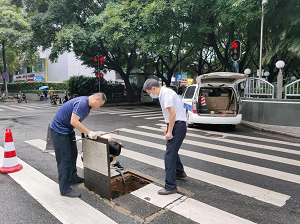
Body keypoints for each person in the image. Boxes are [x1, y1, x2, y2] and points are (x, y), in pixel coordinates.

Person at [50, 92, 107, 198]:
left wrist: (86, 132)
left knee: (73, 154)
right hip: (59, 131)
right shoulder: (82, 103)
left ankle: (73, 177)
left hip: (67, 130)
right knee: (64, 160)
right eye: (100, 104)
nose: (99, 107)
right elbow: (74, 121)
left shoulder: (87, 105)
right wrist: (89, 132)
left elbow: (76, 122)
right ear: (97, 99)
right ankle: (65, 189)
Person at [143, 79, 187, 195]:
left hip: (178, 126)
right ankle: (180, 172)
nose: (151, 95)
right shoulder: (165, 93)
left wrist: (170, 131)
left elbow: (172, 113)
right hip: (177, 125)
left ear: (153, 88)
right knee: (172, 151)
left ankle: (170, 186)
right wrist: (167, 127)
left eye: (150, 92)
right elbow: (170, 114)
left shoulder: (166, 93)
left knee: (169, 155)